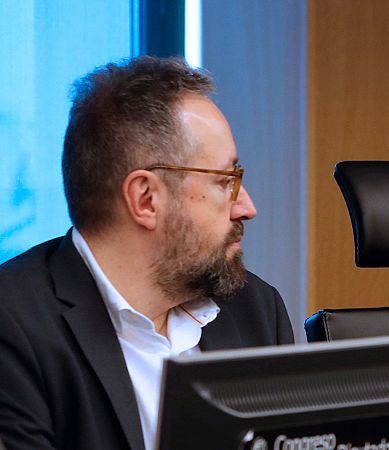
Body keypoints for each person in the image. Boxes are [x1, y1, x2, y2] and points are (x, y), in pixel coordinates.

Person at [0, 57, 294, 450]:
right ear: (146, 199)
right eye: (227, 181)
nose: (247, 207)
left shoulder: (255, 310)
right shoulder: (14, 325)